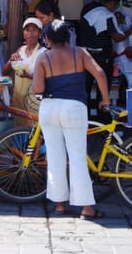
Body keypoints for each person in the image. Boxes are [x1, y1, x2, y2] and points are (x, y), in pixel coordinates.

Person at [32, 19, 110, 220]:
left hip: (49, 108)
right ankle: (86, 207)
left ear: (47, 39)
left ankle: (59, 205)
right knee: (77, 158)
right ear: (68, 37)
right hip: (74, 108)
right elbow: (100, 73)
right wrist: (105, 100)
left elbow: (38, 89)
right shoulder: (80, 53)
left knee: (55, 157)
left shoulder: (43, 58)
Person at [76, 0, 132, 119]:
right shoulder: (107, 15)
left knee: (85, 89)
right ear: (113, 3)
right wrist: (131, 31)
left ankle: (84, 120)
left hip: (85, 55)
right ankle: (102, 121)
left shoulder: (87, 9)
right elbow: (117, 37)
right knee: (102, 90)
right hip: (102, 57)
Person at [2, 17, 46, 125]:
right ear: (23, 33)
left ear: (40, 34)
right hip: (19, 97)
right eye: (27, 30)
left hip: (34, 99)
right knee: (19, 127)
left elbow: (46, 78)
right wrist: (10, 61)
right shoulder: (20, 50)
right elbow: (4, 71)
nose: (30, 34)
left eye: (34, 30)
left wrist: (29, 75)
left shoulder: (44, 53)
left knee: (33, 128)